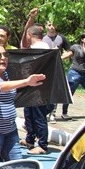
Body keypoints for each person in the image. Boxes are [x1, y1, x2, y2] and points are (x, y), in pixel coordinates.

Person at [20, 25, 53, 155]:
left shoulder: (38, 50)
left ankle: (42, 145)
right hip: (32, 88)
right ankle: (29, 139)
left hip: (40, 90)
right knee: (29, 114)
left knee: (39, 117)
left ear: (29, 35)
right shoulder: (45, 47)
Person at [62, 33, 85, 119]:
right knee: (70, 93)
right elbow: (68, 54)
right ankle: (64, 113)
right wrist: (60, 57)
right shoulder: (76, 47)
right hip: (74, 72)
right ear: (82, 39)